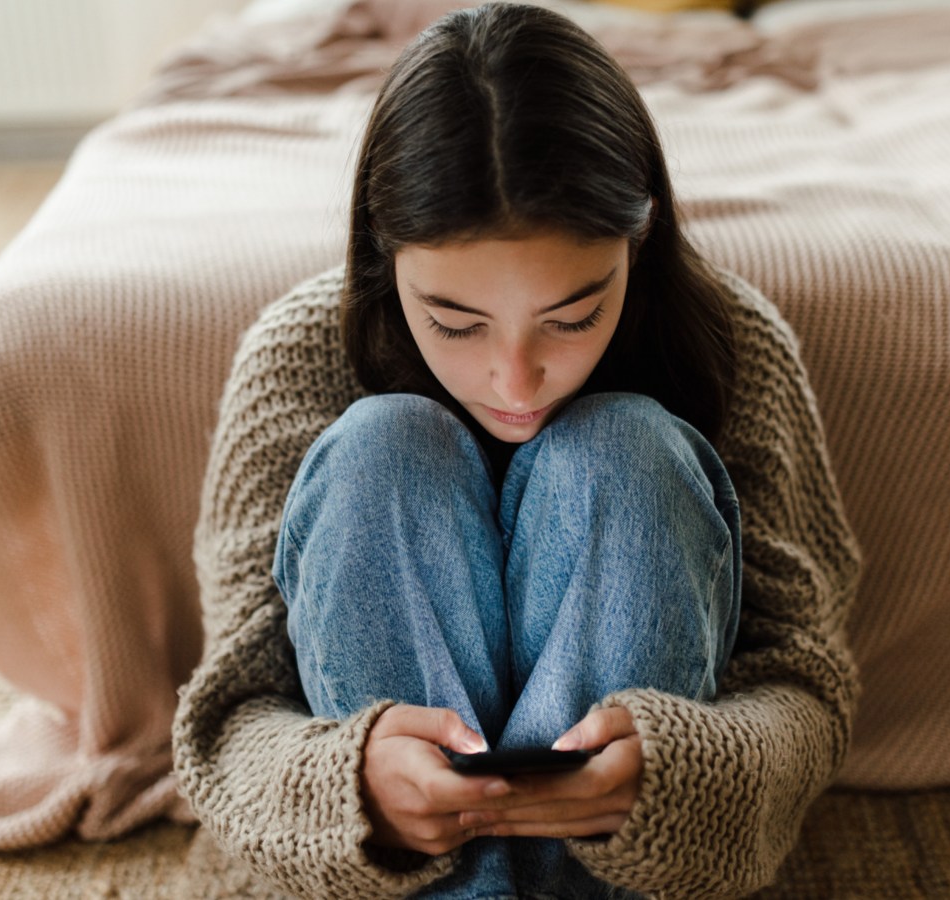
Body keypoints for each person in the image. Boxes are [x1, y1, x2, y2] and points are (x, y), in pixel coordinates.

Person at [172, 3, 861, 898]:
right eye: (453, 323)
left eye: (572, 317)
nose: (516, 383)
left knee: (627, 444)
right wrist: (354, 785)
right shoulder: (300, 356)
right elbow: (231, 717)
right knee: (387, 441)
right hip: (395, 876)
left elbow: (805, 681)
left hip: (629, 872)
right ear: (384, 257)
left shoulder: (729, 345)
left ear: (641, 232)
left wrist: (686, 770)